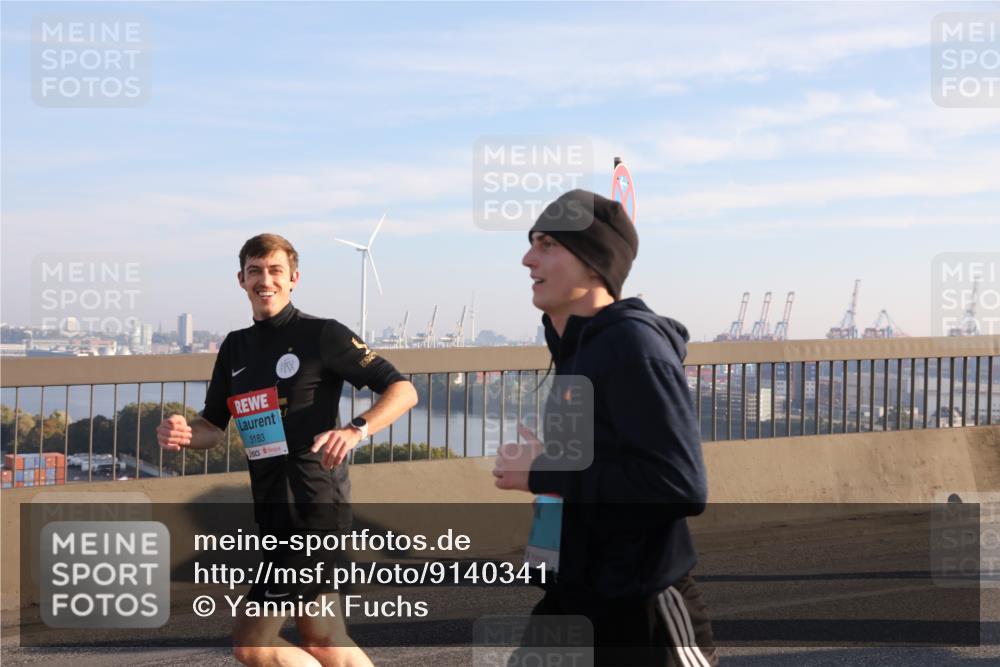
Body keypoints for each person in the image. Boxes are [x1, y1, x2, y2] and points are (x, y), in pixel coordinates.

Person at [157, 233, 417, 667]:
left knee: (252, 643)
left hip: (313, 507)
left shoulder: (322, 334)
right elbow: (212, 428)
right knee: (322, 635)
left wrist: (355, 429)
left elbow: (403, 389)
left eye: (275, 271)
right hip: (275, 508)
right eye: (255, 271)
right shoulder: (235, 347)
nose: (266, 280)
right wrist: (184, 432)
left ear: (293, 278)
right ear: (241, 279)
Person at [493, 190, 717, 666]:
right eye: (533, 242)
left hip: (642, 611)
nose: (527, 258)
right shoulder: (577, 346)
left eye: (548, 244)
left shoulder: (633, 345)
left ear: (595, 263)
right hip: (575, 599)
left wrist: (543, 472)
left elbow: (679, 487)